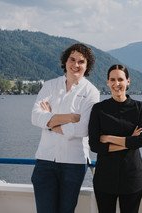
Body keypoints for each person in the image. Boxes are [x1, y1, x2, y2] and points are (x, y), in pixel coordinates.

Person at [31, 43, 100, 213]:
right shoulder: (49, 86)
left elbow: (82, 129)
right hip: (45, 161)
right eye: (72, 59)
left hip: (73, 163)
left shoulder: (91, 92)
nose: (75, 65)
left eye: (81, 61)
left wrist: (50, 122)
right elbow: (35, 117)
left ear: (87, 65)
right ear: (65, 61)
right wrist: (70, 118)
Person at [88, 64, 142, 213]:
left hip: (132, 178)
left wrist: (109, 137)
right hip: (104, 179)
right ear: (107, 82)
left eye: (121, 79)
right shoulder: (99, 109)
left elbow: (141, 140)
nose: (117, 84)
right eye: (112, 79)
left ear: (128, 81)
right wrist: (129, 141)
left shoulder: (139, 108)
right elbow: (95, 145)